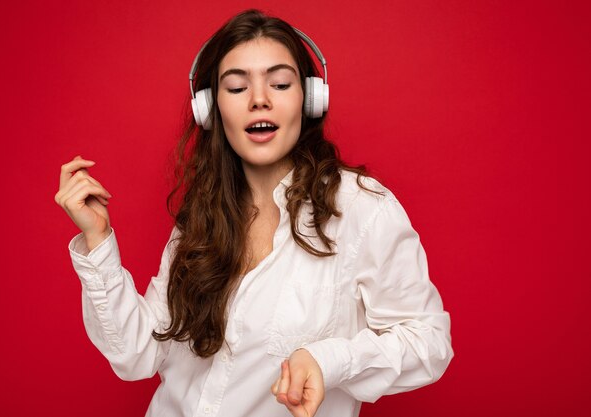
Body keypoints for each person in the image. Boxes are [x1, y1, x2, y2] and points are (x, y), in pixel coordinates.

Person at [54, 9, 453, 417]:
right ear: (211, 110)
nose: (259, 99)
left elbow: (429, 341)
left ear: (310, 99)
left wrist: (328, 360)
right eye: (236, 87)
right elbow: (137, 354)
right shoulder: (203, 216)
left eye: (280, 83)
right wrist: (98, 240)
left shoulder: (362, 210)